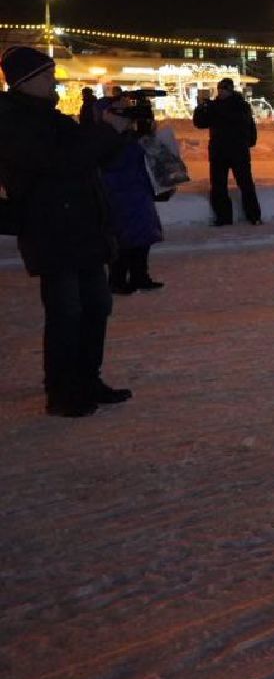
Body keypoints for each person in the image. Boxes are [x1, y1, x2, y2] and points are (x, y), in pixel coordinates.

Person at [0, 46, 134, 417]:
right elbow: (61, 164)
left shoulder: (51, 117)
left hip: (82, 225)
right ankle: (61, 392)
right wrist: (103, 134)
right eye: (47, 74)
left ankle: (87, 379)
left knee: (96, 306)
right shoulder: (13, 121)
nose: (53, 80)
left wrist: (117, 131)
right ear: (24, 82)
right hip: (50, 229)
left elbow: (88, 157)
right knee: (65, 312)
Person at [96, 96, 166, 293]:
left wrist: (146, 132)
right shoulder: (106, 136)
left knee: (142, 234)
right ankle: (117, 279)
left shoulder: (130, 136)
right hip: (117, 191)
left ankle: (140, 275)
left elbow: (148, 153)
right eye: (121, 110)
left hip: (138, 189)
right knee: (123, 238)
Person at [192, 77, 261, 225]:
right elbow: (200, 123)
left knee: (245, 184)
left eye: (224, 89)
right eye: (220, 89)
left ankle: (253, 215)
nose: (222, 92)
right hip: (220, 152)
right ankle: (224, 217)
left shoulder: (239, 105)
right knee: (219, 186)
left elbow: (244, 122)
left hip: (236, 151)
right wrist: (200, 107)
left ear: (230, 90)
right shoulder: (219, 106)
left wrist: (249, 141)